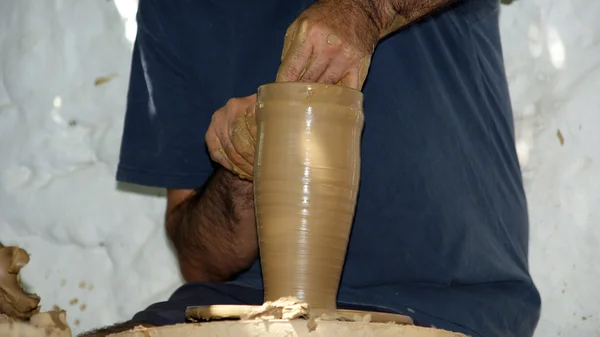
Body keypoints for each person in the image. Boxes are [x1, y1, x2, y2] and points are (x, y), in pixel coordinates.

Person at [81, 0, 541, 336]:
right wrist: (244, 169)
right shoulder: (173, 11)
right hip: (250, 309)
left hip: (447, 303)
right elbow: (201, 262)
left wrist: (369, 10)